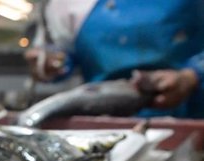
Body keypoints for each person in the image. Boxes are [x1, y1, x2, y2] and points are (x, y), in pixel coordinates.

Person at [24, 0, 204, 118]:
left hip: (192, 118)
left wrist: (191, 76)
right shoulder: (67, 3)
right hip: (104, 119)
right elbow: (61, 48)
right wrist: (52, 62)